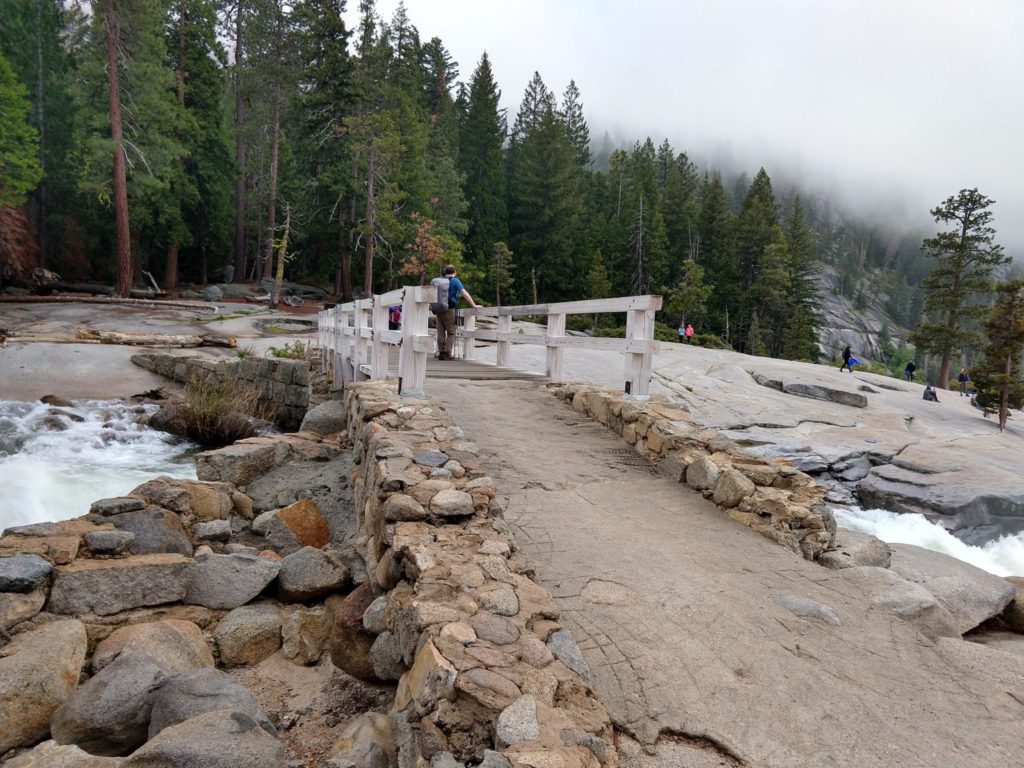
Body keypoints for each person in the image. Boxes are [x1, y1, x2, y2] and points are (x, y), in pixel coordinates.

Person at [435, 264, 478, 361]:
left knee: (440, 331)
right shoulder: (455, 281)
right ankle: (447, 353)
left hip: (438, 309)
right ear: (454, 272)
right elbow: (464, 293)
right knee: (451, 332)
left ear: (445, 272)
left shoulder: (440, 281)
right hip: (449, 309)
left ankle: (441, 352)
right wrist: (474, 305)